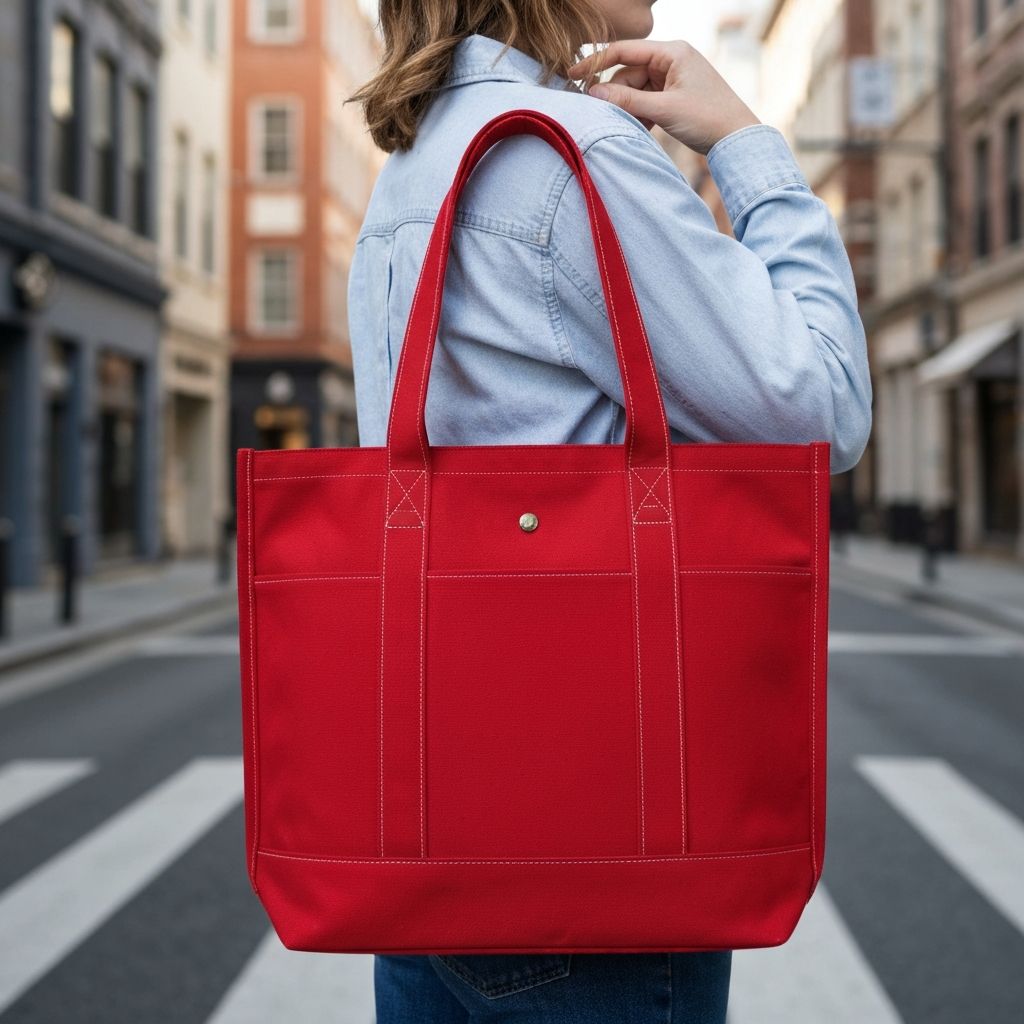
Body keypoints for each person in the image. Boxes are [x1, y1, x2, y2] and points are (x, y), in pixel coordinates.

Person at [345, 1, 872, 1021]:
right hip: (593, 873)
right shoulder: (576, 158)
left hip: (426, 861)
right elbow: (823, 408)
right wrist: (748, 148)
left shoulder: (414, 161)